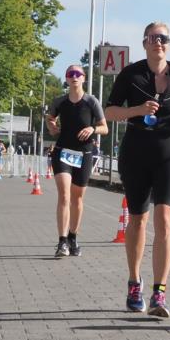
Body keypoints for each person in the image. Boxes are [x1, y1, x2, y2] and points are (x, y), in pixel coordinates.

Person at [105, 22, 170, 318]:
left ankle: (159, 294)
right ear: (144, 43)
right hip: (136, 152)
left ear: (169, 44)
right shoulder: (131, 74)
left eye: (163, 38)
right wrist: (137, 111)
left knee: (165, 218)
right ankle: (134, 284)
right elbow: (109, 111)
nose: (158, 42)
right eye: (153, 38)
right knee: (138, 221)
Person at [47, 64, 107, 258]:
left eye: (77, 74)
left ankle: (73, 237)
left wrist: (93, 129)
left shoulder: (91, 102)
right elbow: (50, 119)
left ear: (84, 78)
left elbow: (104, 128)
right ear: (66, 79)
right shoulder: (59, 101)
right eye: (70, 74)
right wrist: (52, 126)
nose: (74, 77)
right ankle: (62, 241)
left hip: (84, 154)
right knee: (64, 195)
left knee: (77, 198)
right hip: (63, 151)